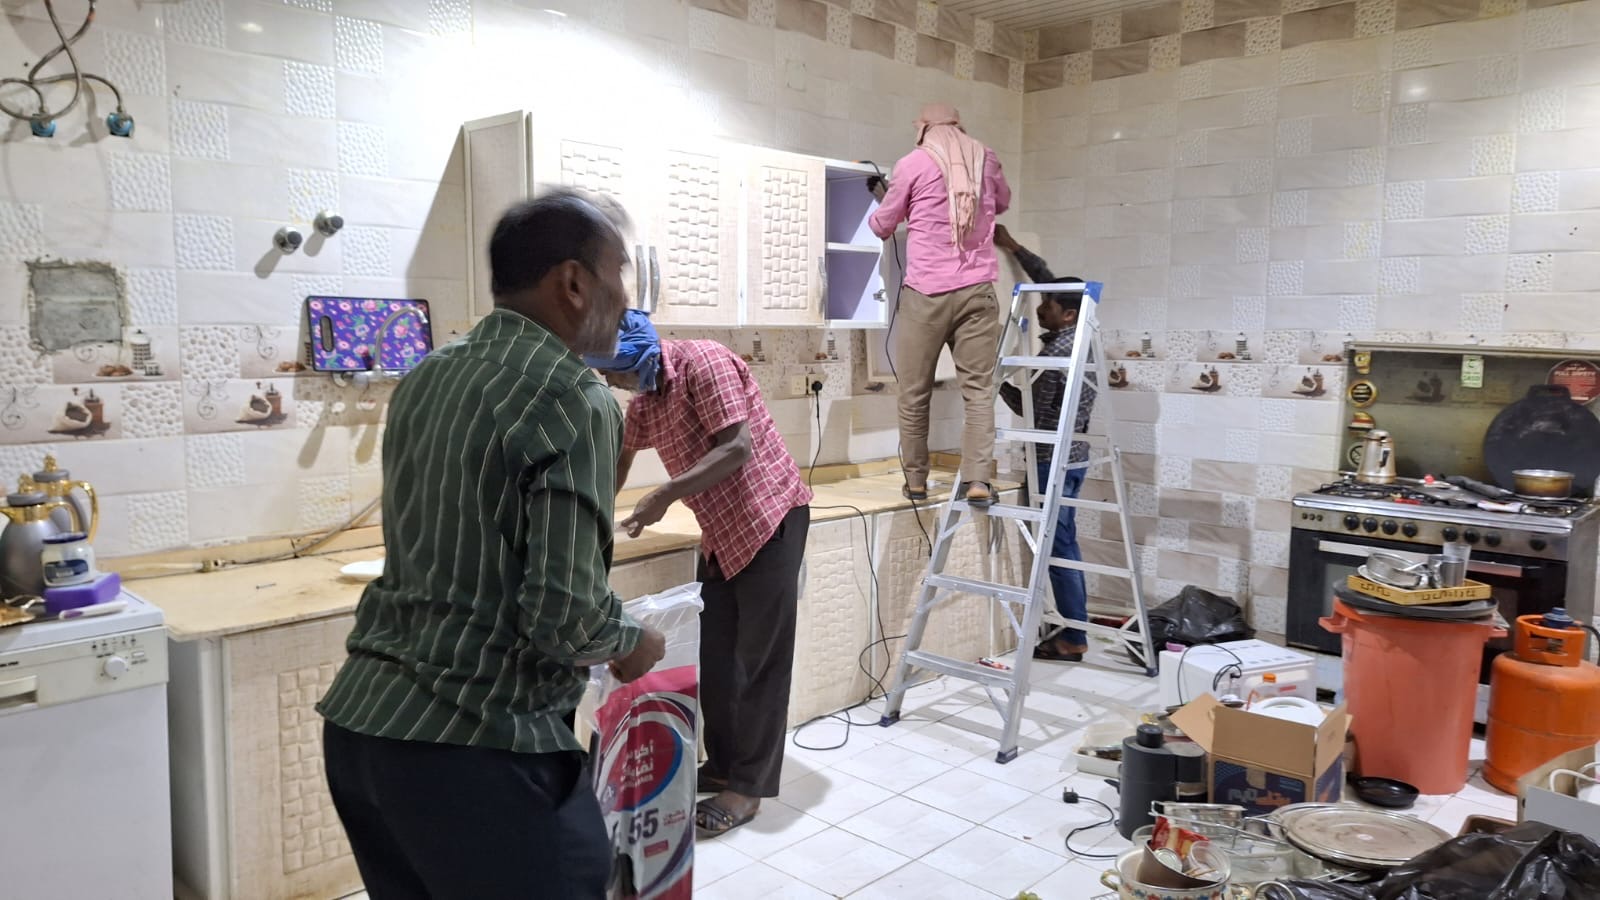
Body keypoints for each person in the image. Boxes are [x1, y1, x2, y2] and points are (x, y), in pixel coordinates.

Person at [316, 190, 666, 900]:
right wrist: (632, 642)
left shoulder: (428, 376)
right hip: (478, 749)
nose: (627, 302)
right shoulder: (574, 397)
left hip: (363, 735)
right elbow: (566, 616)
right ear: (574, 282)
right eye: (619, 275)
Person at [587, 313, 812, 839]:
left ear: (633, 357)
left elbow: (737, 447)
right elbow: (620, 460)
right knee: (717, 657)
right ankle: (725, 765)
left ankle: (749, 788)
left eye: (610, 371)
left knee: (760, 661)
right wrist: (591, 517)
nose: (609, 382)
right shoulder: (646, 402)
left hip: (770, 518)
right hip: (722, 531)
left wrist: (663, 495)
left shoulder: (703, 362)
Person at [868, 102, 1011, 508]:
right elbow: (1001, 203)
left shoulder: (913, 163)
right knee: (979, 391)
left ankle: (916, 480)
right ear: (959, 126)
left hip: (926, 293)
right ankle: (978, 480)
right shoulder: (986, 158)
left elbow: (883, 225)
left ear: (923, 129)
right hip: (978, 292)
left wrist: (888, 200)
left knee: (914, 392)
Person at [994, 224, 1097, 663]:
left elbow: (1029, 409)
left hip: (1051, 459)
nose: (1039, 310)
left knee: (1059, 546)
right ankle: (1074, 627)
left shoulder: (1055, 355)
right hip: (1076, 456)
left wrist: (993, 380)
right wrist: (1014, 248)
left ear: (1067, 314)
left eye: (1047, 306)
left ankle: (1073, 635)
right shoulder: (1083, 330)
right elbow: (1049, 281)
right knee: (1065, 542)